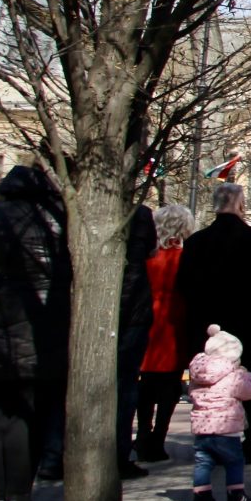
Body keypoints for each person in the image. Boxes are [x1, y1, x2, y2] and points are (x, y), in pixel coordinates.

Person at [0, 165, 70, 501]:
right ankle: (18, 498)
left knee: (0, 413)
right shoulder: (56, 218)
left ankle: (0, 498)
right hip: (45, 327)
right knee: (32, 415)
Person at [176, 183, 251, 463]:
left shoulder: (196, 242)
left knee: (209, 387)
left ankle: (211, 443)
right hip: (248, 325)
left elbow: (182, 285)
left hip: (207, 328)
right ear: (242, 205)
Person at [133, 205, 191, 463]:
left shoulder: (148, 256)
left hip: (148, 321)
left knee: (145, 384)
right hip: (175, 323)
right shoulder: (185, 258)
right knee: (170, 385)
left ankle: (143, 434)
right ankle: (159, 436)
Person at [186, 324, 251, 501]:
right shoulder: (233, 375)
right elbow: (250, 392)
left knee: (203, 462)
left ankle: (201, 495)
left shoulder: (197, 374)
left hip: (203, 430)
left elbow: (191, 393)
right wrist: (246, 374)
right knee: (234, 461)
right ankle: (236, 494)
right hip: (227, 431)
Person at [114, 203, 158, 479]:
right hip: (135, 315)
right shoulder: (139, 216)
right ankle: (123, 449)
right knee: (127, 384)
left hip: (130, 313)